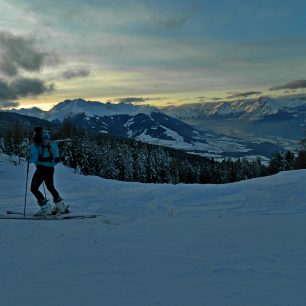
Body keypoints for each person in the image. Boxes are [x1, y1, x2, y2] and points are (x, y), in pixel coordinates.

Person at [28, 127, 67, 216]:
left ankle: (46, 208)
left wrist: (28, 159)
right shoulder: (51, 143)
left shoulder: (35, 144)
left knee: (33, 188)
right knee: (50, 187)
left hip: (41, 168)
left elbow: (33, 158)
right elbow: (56, 155)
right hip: (50, 168)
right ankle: (61, 208)